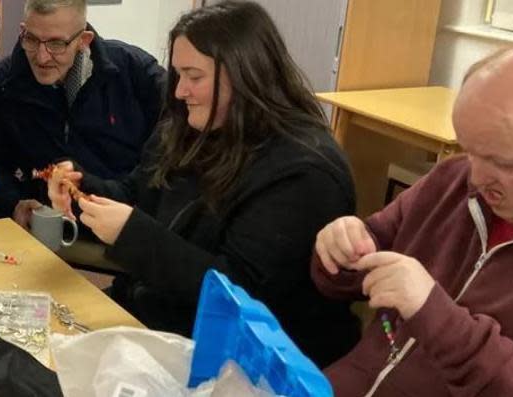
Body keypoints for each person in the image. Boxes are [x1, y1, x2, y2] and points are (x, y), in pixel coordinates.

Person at [48, 1, 360, 367]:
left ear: (246, 76)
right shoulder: (191, 128)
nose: (179, 91)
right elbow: (138, 195)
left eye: (194, 77)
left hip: (244, 361)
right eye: (178, 74)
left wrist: (133, 234)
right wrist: (81, 188)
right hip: (161, 318)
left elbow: (238, 294)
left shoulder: (304, 173)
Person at [312, 47, 513, 396]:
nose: (475, 178)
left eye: (501, 162)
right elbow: (340, 280)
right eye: (469, 150)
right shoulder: (451, 180)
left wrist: (434, 315)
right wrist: (340, 248)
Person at [0, 0, 166, 227]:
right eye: (31, 39)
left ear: (84, 41)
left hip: (123, 229)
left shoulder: (137, 74)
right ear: (22, 30)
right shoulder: (2, 84)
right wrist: (14, 203)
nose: (42, 57)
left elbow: (169, 160)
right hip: (44, 230)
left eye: (56, 44)